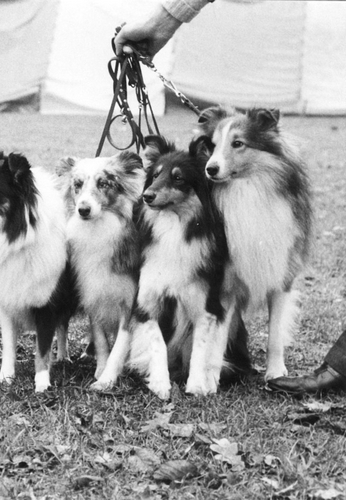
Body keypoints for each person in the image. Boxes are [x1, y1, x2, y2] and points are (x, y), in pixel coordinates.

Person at [114, 0, 346, 395]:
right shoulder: (216, 195)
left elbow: (283, 285)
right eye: (219, 145)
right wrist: (165, 20)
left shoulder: (277, 173)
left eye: (237, 145)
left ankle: (274, 359)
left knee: (279, 285)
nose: (217, 162)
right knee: (228, 291)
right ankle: (205, 364)